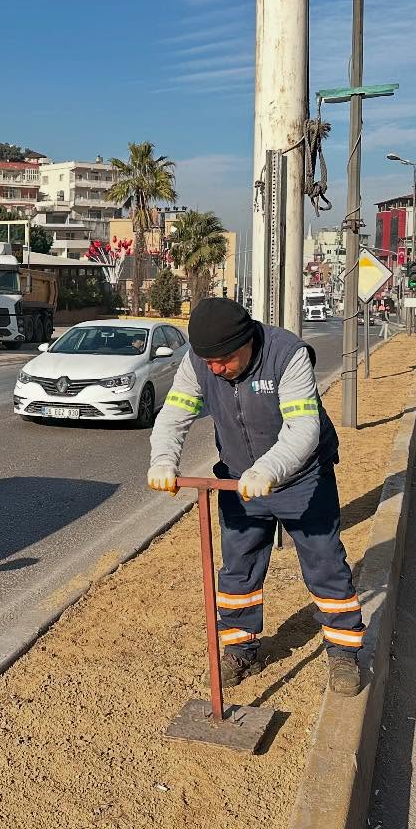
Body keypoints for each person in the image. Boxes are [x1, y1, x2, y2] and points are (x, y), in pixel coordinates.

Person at [147, 297, 363, 696]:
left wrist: (269, 470)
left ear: (247, 341)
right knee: (238, 569)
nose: (216, 369)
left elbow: (302, 428)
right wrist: (163, 461)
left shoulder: (287, 354)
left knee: (324, 563)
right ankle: (240, 648)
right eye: (208, 361)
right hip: (236, 479)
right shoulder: (200, 362)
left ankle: (343, 651)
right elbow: (175, 414)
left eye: (225, 360)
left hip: (302, 478)